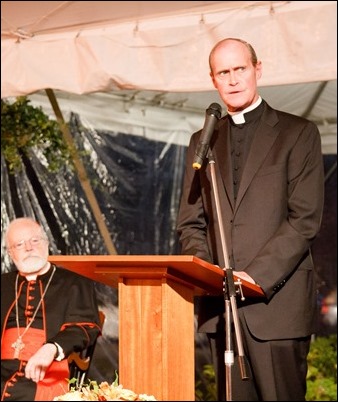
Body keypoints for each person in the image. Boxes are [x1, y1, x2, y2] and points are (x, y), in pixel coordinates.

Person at [177, 38, 324, 401]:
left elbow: (304, 218)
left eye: (239, 69)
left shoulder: (298, 133)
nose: (232, 79)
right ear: (213, 80)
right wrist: (208, 274)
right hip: (221, 308)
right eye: (223, 72)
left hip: (276, 308)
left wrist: (254, 276)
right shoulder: (203, 140)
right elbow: (191, 221)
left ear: (257, 69)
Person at [1, 217, 102, 401]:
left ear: (46, 243)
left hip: (48, 370)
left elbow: (86, 327)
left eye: (35, 240)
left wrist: (51, 348)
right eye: (19, 244)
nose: (29, 248)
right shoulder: (3, 283)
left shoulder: (75, 283)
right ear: (10, 253)